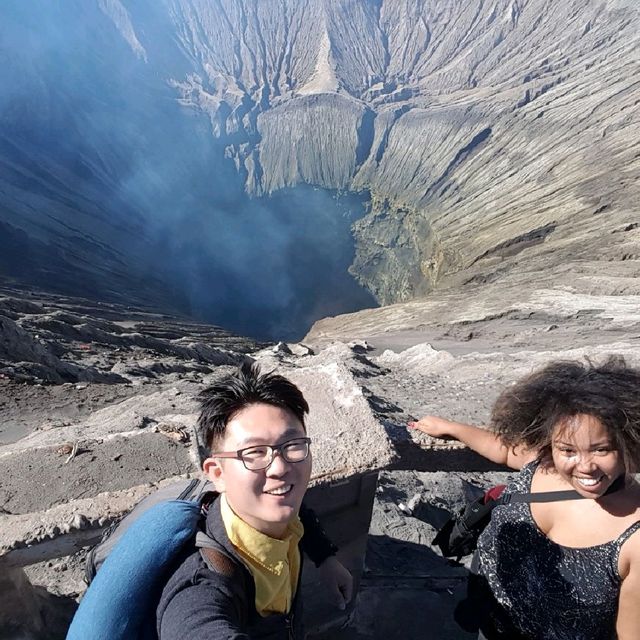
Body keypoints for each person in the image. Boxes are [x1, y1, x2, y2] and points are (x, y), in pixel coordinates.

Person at [409, 356, 640, 640]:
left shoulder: (635, 537)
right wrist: (453, 428)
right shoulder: (544, 462)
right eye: (568, 450)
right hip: (490, 618)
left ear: (628, 442)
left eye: (601, 449)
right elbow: (504, 450)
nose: (585, 466)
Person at [157, 362, 353, 639]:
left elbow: (297, 513)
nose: (279, 468)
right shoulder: (202, 585)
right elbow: (195, 626)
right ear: (217, 473)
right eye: (254, 453)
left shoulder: (270, 508)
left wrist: (325, 558)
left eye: (293, 445)